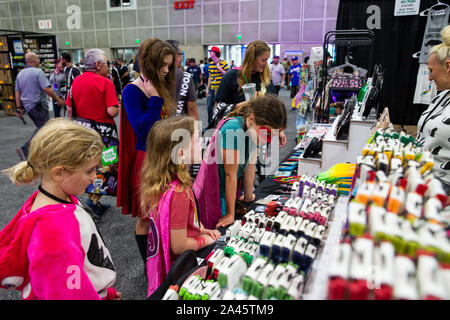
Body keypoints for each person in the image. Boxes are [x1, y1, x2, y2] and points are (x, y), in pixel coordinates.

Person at [0, 119, 121, 300]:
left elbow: (82, 268)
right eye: (90, 171)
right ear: (58, 173)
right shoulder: (52, 232)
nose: (95, 176)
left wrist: (106, 293)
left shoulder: (62, 197)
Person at [140, 116, 221, 296]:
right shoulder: (180, 193)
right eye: (198, 138)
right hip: (182, 269)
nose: (203, 142)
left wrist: (200, 229)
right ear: (181, 153)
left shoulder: (165, 184)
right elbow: (179, 245)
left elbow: (182, 222)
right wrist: (205, 241)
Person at [117, 38, 177, 272]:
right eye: (162, 65)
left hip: (164, 156)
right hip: (146, 160)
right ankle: (149, 266)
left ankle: (163, 258)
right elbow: (141, 128)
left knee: (164, 210)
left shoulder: (158, 85)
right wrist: (155, 100)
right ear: (149, 63)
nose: (166, 70)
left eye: (169, 66)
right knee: (146, 216)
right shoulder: (132, 90)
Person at [195, 94, 287, 228]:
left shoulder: (253, 130)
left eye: (272, 136)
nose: (268, 140)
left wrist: (249, 196)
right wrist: (230, 214)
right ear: (251, 119)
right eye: (267, 133)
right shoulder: (233, 129)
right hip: (215, 195)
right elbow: (230, 175)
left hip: (228, 192)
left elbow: (250, 164)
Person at [65, 49, 120, 217]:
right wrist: (117, 106)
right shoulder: (105, 83)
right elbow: (112, 111)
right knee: (107, 167)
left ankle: (94, 200)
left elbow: (69, 109)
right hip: (105, 136)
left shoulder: (76, 82)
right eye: (106, 64)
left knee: (90, 166)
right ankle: (92, 202)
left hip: (82, 133)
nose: (108, 68)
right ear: (98, 65)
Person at [417, 25, 450, 191]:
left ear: (447, 67)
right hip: (428, 181)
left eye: (431, 71)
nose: (429, 77)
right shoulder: (443, 96)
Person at [15, 52, 64, 160]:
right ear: (34, 60)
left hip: (28, 106)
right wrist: (58, 99)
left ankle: (44, 151)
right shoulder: (38, 72)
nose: (38, 62)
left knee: (42, 128)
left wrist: (19, 108)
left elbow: (17, 92)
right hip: (38, 105)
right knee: (44, 128)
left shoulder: (20, 74)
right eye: (37, 60)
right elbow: (46, 88)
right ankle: (26, 149)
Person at [167, 40, 200, 120]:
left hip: (160, 126)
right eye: (182, 54)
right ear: (176, 56)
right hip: (180, 124)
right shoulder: (185, 77)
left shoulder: (156, 74)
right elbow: (191, 107)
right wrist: (197, 129)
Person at [206, 46, 229, 127]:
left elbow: (228, 74)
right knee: (209, 107)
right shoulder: (210, 64)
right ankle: (210, 124)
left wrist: (220, 69)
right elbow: (210, 77)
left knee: (218, 109)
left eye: (211, 51)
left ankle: (217, 124)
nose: (209, 53)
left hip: (220, 90)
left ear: (215, 53)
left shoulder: (223, 63)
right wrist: (207, 88)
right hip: (212, 89)